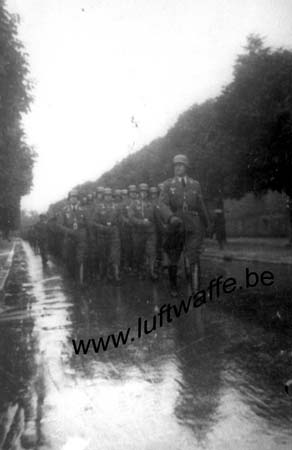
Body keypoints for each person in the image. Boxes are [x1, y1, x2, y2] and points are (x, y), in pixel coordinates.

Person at [159, 154, 209, 296]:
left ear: (186, 167)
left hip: (193, 225)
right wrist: (171, 217)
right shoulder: (168, 185)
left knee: (193, 256)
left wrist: (207, 224)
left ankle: (196, 289)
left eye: (180, 165)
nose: (177, 167)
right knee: (174, 257)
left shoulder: (195, 184)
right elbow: (162, 204)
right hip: (176, 225)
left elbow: (201, 205)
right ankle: (173, 286)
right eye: (175, 165)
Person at [128, 183, 158, 280]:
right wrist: (141, 222)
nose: (143, 194)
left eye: (145, 192)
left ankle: (151, 271)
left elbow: (156, 216)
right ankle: (140, 271)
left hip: (150, 231)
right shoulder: (133, 204)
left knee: (151, 251)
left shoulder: (152, 203)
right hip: (138, 232)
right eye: (141, 192)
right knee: (139, 252)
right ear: (139, 192)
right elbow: (131, 217)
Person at [59, 189, 88, 284]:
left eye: (75, 197)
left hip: (80, 237)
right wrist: (69, 231)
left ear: (77, 198)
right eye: (72, 197)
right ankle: (71, 278)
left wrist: (82, 231)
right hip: (69, 237)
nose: (73, 199)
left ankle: (80, 280)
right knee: (70, 258)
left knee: (80, 258)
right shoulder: (64, 210)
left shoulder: (83, 210)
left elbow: (87, 223)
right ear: (69, 199)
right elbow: (60, 225)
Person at [94, 187, 121, 283]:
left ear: (112, 196)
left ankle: (116, 275)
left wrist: (115, 225)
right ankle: (103, 275)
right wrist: (101, 227)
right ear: (104, 196)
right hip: (102, 234)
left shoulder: (116, 206)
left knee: (115, 255)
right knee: (103, 256)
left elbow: (120, 219)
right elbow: (94, 222)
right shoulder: (98, 207)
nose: (108, 197)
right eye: (106, 196)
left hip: (114, 233)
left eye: (109, 195)